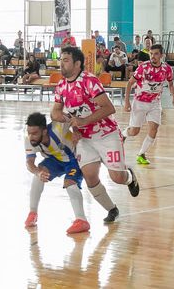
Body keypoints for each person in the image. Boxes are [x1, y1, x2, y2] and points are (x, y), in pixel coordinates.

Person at [51, 46, 140, 224]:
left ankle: (130, 177)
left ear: (77, 64)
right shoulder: (61, 85)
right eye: (61, 59)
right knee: (90, 177)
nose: (61, 63)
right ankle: (112, 209)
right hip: (84, 139)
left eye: (66, 60)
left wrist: (84, 121)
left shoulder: (89, 81)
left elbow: (109, 108)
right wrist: (72, 125)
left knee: (117, 177)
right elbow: (55, 113)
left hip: (106, 134)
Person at [24, 112, 90, 234]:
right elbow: (29, 162)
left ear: (44, 131)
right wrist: (38, 172)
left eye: (34, 133)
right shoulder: (29, 140)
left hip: (74, 158)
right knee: (39, 173)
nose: (31, 136)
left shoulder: (57, 127)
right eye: (29, 133)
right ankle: (32, 213)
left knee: (69, 182)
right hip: (56, 159)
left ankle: (82, 220)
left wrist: (75, 130)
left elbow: (72, 116)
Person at [124, 44, 174, 165]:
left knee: (154, 128)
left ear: (162, 55)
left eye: (156, 54)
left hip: (155, 103)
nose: (153, 56)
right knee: (134, 132)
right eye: (151, 54)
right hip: (140, 102)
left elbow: (170, 84)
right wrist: (126, 101)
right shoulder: (143, 67)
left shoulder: (167, 69)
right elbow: (130, 83)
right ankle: (123, 134)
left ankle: (141, 154)